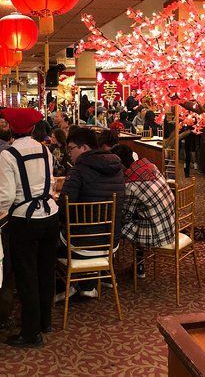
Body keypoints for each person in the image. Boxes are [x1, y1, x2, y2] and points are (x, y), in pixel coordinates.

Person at [0, 108, 59, 349]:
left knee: (26, 276)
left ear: (11, 129)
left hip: (25, 220)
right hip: (50, 215)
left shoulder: (9, 154)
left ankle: (31, 333)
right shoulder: (45, 150)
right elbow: (51, 184)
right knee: (46, 271)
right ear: (33, 128)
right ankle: (45, 322)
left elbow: (5, 198)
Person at [57, 127, 125, 300]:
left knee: (47, 238)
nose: (69, 154)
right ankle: (87, 285)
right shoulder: (117, 168)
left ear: (85, 148)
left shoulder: (78, 171)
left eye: (71, 149)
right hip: (111, 243)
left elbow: (63, 209)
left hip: (81, 246)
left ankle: (65, 286)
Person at [111, 145, 175, 278]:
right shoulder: (151, 166)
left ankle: (108, 268)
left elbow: (125, 216)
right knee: (138, 217)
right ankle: (139, 265)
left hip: (156, 234)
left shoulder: (131, 184)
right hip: (171, 225)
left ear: (120, 165)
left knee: (114, 226)